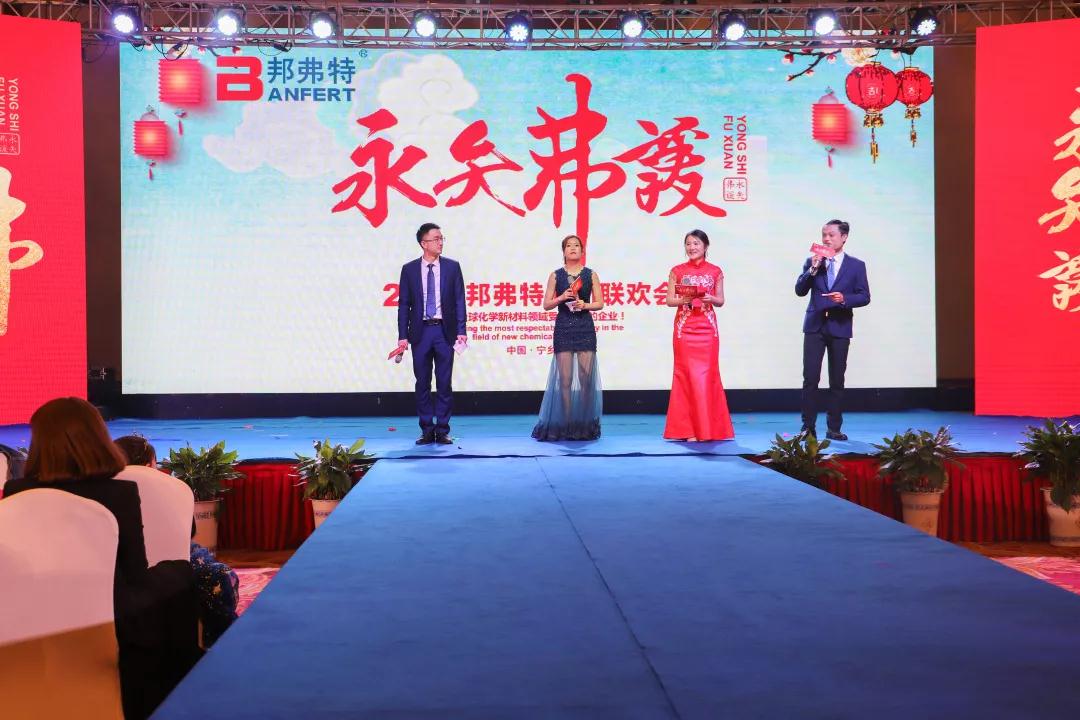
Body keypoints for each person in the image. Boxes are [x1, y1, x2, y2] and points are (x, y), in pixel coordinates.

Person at [2, 398, 199, 719]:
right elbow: (136, 575)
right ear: (96, 438)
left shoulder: (16, 490)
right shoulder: (119, 493)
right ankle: (178, 686)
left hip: (35, 618)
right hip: (112, 617)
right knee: (180, 573)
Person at [114, 434, 239, 648]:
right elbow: (189, 532)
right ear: (150, 463)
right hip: (174, 563)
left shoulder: (99, 487)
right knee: (218, 574)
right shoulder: (176, 487)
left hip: (118, 565)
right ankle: (219, 642)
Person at [795, 219, 871, 441]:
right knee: (810, 378)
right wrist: (812, 269)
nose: (826, 239)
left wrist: (844, 299)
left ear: (844, 237)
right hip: (815, 326)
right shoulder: (813, 261)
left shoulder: (856, 265)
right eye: (824, 235)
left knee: (837, 380)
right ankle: (807, 427)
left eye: (831, 235)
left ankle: (834, 428)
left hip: (840, 326)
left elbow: (864, 296)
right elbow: (800, 290)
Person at [397, 222, 468, 445]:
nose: (440, 242)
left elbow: (459, 300)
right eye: (436, 239)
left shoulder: (452, 267)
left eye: (441, 238)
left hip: (444, 331)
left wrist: (461, 330)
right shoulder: (409, 270)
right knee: (422, 383)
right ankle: (427, 429)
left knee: (444, 383)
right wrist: (402, 335)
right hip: (420, 332)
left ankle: (443, 430)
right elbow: (404, 305)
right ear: (423, 243)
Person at [663, 230, 734, 442]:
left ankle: (709, 429)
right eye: (688, 244)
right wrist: (684, 299)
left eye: (696, 243)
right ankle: (687, 430)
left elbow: (720, 301)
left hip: (707, 329)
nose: (692, 247)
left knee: (706, 376)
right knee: (686, 377)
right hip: (684, 329)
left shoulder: (715, 271)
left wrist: (710, 298)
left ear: (705, 246)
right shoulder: (677, 270)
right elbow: (669, 300)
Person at [532, 235, 604, 441]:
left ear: (582, 250)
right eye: (569, 246)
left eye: (576, 246)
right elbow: (546, 304)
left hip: (584, 327)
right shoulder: (556, 275)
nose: (573, 248)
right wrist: (562, 297)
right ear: (563, 251)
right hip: (564, 327)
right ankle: (567, 422)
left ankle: (584, 423)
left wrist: (585, 305)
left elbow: (600, 303)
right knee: (564, 379)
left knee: (586, 378)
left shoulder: (591, 274)